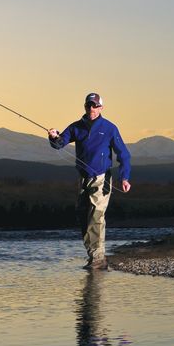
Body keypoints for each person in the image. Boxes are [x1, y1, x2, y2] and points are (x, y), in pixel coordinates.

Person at [48, 92, 131, 270]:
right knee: (83, 216)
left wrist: (125, 177)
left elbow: (123, 154)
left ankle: (99, 259)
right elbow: (59, 144)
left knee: (96, 215)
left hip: (102, 177)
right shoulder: (76, 127)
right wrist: (53, 137)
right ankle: (93, 256)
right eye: (88, 105)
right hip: (83, 178)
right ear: (85, 106)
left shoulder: (109, 128)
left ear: (101, 108)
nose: (91, 109)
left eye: (95, 106)